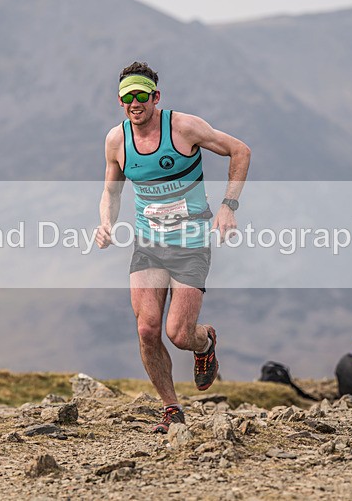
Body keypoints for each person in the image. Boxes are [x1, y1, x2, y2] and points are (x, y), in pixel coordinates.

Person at [95, 62, 251, 433]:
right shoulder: (116, 140)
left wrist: (228, 207)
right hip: (148, 244)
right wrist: (106, 223)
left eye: (141, 95)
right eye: (127, 97)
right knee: (147, 330)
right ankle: (171, 409)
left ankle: (204, 343)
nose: (135, 103)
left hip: (191, 243)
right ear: (119, 101)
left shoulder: (183, 127)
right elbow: (111, 191)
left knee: (179, 334)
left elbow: (240, 151)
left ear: (156, 97)